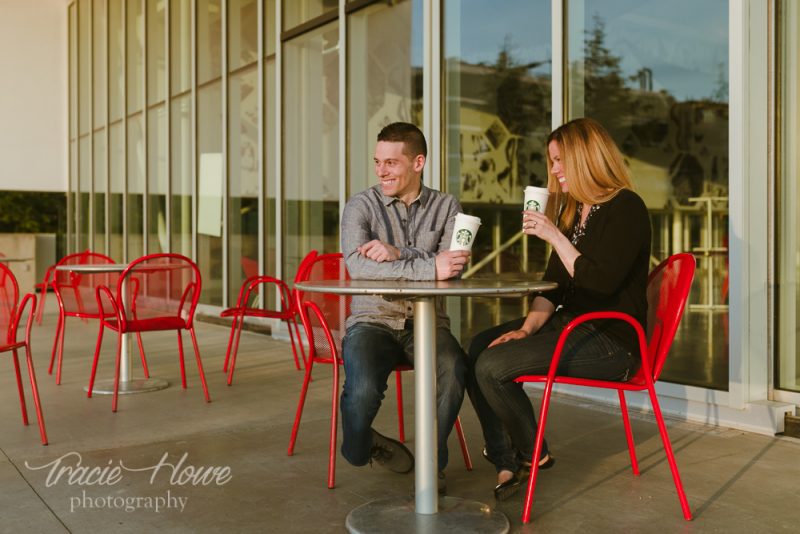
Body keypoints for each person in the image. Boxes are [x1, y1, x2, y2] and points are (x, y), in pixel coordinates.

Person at [466, 117, 652, 501]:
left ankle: (529, 453)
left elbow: (599, 282)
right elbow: (552, 289)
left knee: (492, 366)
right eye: (551, 161)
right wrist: (528, 329)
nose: (553, 170)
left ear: (585, 157)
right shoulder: (573, 212)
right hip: (573, 325)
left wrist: (551, 233)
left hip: (613, 341)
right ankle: (511, 455)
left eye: (559, 160)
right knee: (478, 347)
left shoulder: (626, 208)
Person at [340, 122, 471, 494]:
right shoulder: (359, 206)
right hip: (373, 320)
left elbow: (455, 267)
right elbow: (358, 265)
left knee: (454, 369)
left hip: (428, 323)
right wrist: (428, 264)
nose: (381, 171)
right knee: (362, 391)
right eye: (378, 162)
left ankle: (432, 463)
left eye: (392, 163)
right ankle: (361, 445)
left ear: (418, 162)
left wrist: (398, 254)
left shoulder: (447, 207)